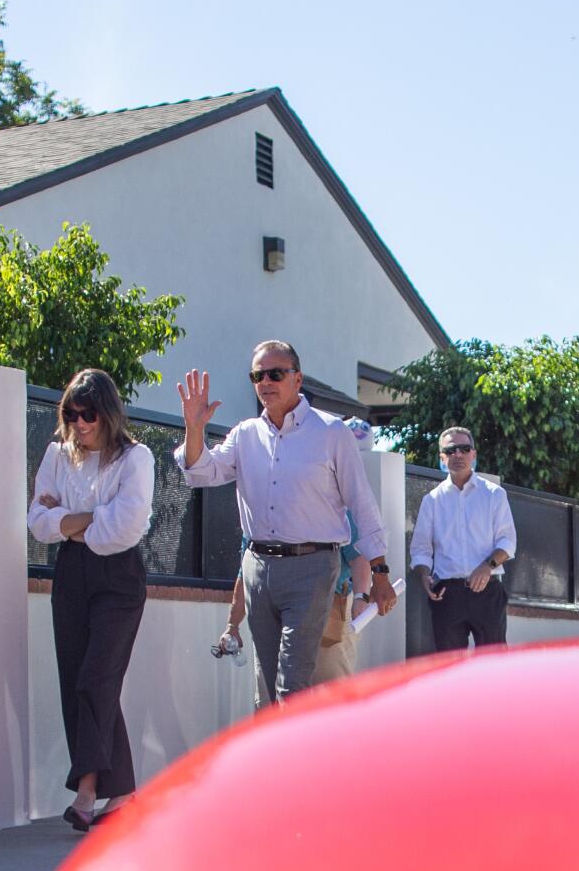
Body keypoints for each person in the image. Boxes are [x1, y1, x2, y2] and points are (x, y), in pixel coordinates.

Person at [176, 341, 396, 704]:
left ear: (298, 378)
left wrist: (380, 574)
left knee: (291, 685)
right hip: (258, 567)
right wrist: (194, 428)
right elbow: (201, 473)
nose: (265, 382)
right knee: (268, 685)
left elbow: (362, 503)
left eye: (275, 373)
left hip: (312, 568)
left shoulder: (330, 432)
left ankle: (296, 760)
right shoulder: (246, 433)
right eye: (257, 375)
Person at [27, 369, 155, 832]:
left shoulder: (135, 458)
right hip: (72, 573)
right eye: (71, 414)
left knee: (97, 680)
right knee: (76, 680)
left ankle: (86, 791)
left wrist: (69, 519)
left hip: (118, 575)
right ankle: (121, 794)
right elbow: (37, 522)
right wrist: (85, 519)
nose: (80, 423)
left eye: (89, 414)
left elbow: (126, 525)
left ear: (108, 412)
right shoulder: (58, 455)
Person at [410, 426, 517, 652]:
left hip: (487, 592)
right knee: (449, 669)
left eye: (464, 449)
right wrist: (423, 576)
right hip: (447, 595)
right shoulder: (432, 500)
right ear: (442, 457)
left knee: (493, 665)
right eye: (450, 451)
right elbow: (420, 550)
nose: (458, 455)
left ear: (473, 454)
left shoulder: (494, 494)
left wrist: (487, 566)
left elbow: (507, 541)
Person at [311, 418, 380, 685]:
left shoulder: (340, 501)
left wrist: (361, 597)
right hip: (303, 605)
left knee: (333, 688)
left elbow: (360, 554)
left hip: (337, 606)